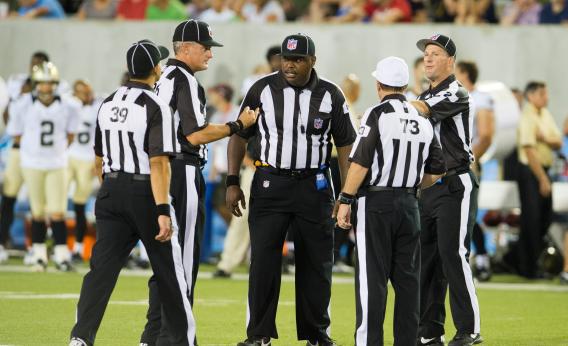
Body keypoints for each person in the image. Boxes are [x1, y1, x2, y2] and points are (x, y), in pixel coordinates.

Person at [226, 33, 356, 346]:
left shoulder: (331, 94)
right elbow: (239, 135)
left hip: (315, 185)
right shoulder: (261, 89)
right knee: (264, 263)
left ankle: (316, 333)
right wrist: (232, 180)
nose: (290, 64)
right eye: (286, 58)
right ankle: (258, 334)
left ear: (313, 61)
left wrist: (346, 195)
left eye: (298, 59)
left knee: (316, 263)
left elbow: (346, 146)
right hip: (271, 183)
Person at [140, 20, 258, 346]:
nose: (209, 53)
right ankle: (178, 340)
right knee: (184, 263)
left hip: (157, 170)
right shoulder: (185, 79)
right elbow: (195, 134)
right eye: (205, 46)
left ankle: (152, 337)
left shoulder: (161, 77)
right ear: (185, 47)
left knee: (165, 262)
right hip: (181, 169)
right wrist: (238, 125)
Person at [69, 39, 193, 346]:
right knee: (170, 273)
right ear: (155, 69)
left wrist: (112, 190)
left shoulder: (108, 101)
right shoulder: (156, 105)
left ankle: (80, 338)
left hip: (110, 189)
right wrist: (163, 209)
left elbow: (98, 158)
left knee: (101, 271)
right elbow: (159, 162)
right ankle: (180, 341)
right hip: (145, 192)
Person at [336, 56, 446, 346]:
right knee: (408, 283)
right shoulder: (422, 117)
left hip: (376, 204)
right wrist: (406, 183)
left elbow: (359, 163)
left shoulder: (377, 113)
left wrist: (346, 198)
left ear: (379, 84)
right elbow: (436, 170)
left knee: (372, 284)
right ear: (405, 84)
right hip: (410, 205)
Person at [410, 34, 482, 346]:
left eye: (435, 53)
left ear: (450, 61)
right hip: (429, 186)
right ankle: (429, 331)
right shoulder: (424, 94)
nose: (427, 58)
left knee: (454, 254)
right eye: (426, 54)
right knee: (428, 259)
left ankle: (469, 328)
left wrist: (387, 108)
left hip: (456, 182)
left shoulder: (456, 92)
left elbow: (423, 110)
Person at [214, 46, 282, 279]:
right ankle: (227, 263)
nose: (279, 63)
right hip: (256, 164)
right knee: (241, 217)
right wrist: (247, 160)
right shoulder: (259, 95)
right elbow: (240, 134)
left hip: (283, 170)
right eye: (275, 59)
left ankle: (272, 262)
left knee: (280, 219)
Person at [6, 62, 79, 272]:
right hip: (32, 163)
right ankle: (38, 254)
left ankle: (62, 254)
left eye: (49, 83)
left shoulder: (68, 104)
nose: (46, 87)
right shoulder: (22, 104)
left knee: (58, 211)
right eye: (42, 83)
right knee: (37, 211)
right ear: (36, 84)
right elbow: (16, 135)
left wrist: (56, 152)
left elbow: (71, 134)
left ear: (55, 84)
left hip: (56, 162)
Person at [508, 81, 562, 279]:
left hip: (544, 170)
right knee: (532, 219)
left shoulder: (545, 115)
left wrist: (545, 139)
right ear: (531, 96)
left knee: (545, 218)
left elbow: (558, 141)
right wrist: (542, 179)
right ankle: (528, 268)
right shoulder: (527, 117)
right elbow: (529, 150)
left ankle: (514, 258)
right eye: (542, 94)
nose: (546, 98)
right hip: (531, 171)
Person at [455, 60, 495, 282]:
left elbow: (487, 134)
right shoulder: (453, 96)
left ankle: (479, 260)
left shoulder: (480, 98)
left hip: (465, 163)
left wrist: (470, 158)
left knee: (467, 215)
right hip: (447, 165)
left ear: (464, 73)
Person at [67, 80, 101, 261]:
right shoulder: (67, 106)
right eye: (81, 92)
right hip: (68, 157)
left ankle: (78, 248)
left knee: (80, 206)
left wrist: (97, 162)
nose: (85, 95)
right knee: (54, 203)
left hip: (87, 159)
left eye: (87, 92)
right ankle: (54, 246)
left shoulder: (98, 108)